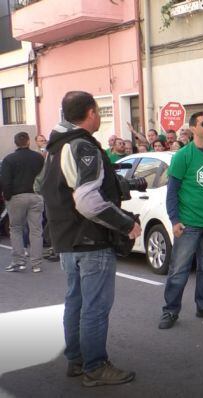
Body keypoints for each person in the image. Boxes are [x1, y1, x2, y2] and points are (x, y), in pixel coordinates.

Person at [40, 91, 141, 386]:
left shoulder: (55, 148)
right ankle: (95, 367)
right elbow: (86, 200)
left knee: (76, 302)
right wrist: (126, 224)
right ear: (91, 112)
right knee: (94, 307)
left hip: (67, 240)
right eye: (98, 112)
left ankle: (77, 360)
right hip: (91, 240)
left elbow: (45, 187)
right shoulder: (83, 146)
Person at [158, 111, 203, 330]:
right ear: (192, 128)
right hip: (188, 223)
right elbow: (172, 192)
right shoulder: (183, 155)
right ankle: (170, 311)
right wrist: (174, 220)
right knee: (179, 270)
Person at [2, 132, 45, 273]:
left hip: (16, 197)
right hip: (36, 196)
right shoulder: (38, 158)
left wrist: (7, 197)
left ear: (16, 143)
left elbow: (5, 181)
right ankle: (36, 264)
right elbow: (44, 176)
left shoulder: (9, 159)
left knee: (16, 229)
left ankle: (19, 261)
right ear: (28, 142)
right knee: (36, 230)